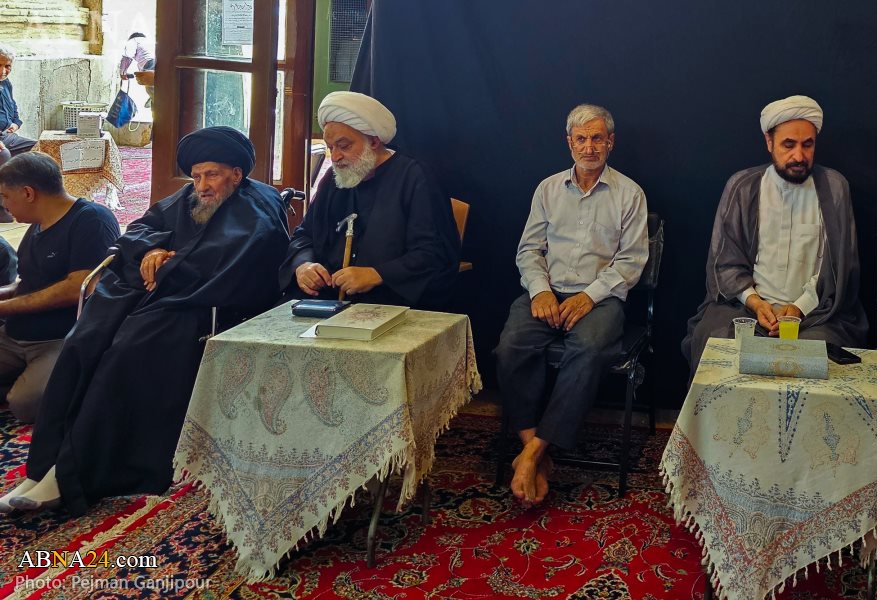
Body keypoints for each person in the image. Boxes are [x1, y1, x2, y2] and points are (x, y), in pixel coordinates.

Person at [0, 127, 290, 515]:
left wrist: (170, 265)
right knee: (85, 338)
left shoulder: (257, 209)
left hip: (205, 306)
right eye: (197, 175)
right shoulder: (190, 197)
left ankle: (73, 475)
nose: (202, 185)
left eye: (213, 175)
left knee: (125, 351)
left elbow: (231, 268)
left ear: (236, 174)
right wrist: (152, 249)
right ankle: (42, 467)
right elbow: (140, 229)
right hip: (161, 294)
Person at [494, 104, 649, 506]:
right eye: (581, 139)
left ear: (611, 142)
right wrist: (540, 291)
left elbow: (631, 262)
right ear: (569, 143)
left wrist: (588, 296)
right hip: (547, 292)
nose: (589, 147)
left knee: (589, 348)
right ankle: (534, 449)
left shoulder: (630, 194)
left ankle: (532, 453)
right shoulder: (547, 190)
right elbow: (529, 250)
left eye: (597, 138)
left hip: (600, 298)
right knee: (510, 346)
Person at [682, 95, 868, 374]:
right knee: (716, 344)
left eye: (807, 145)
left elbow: (838, 270)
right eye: (788, 145)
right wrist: (756, 303)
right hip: (746, 310)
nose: (799, 156)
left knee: (812, 359)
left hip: (816, 315)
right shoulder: (743, 187)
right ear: (769, 142)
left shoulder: (834, 188)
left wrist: (798, 309)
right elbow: (724, 264)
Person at [279, 91, 459, 309]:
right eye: (330, 147)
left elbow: (434, 253)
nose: (334, 157)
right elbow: (304, 235)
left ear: (373, 141)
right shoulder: (333, 180)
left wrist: (377, 274)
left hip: (388, 298)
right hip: (326, 297)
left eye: (344, 146)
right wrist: (303, 265)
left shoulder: (415, 178)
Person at [0, 153, 118, 423]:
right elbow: (29, 283)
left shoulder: (92, 220)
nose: (4, 205)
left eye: (5, 196)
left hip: (59, 339)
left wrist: (4, 307)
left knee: (25, 404)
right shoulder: (37, 225)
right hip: (15, 335)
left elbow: (77, 288)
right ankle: (25, 380)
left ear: (28, 193)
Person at [0, 43, 36, 222]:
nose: (3, 71)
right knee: (3, 154)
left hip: (7, 136)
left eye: (7, 66)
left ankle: (33, 202)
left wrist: (15, 124)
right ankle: (2, 208)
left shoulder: (6, 84)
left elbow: (14, 110)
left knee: (40, 149)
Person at [119, 32, 155, 107]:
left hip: (150, 63)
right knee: (155, 86)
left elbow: (127, 58)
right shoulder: (149, 42)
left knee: (150, 86)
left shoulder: (133, 41)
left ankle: (155, 100)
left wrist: (123, 73)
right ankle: (154, 98)